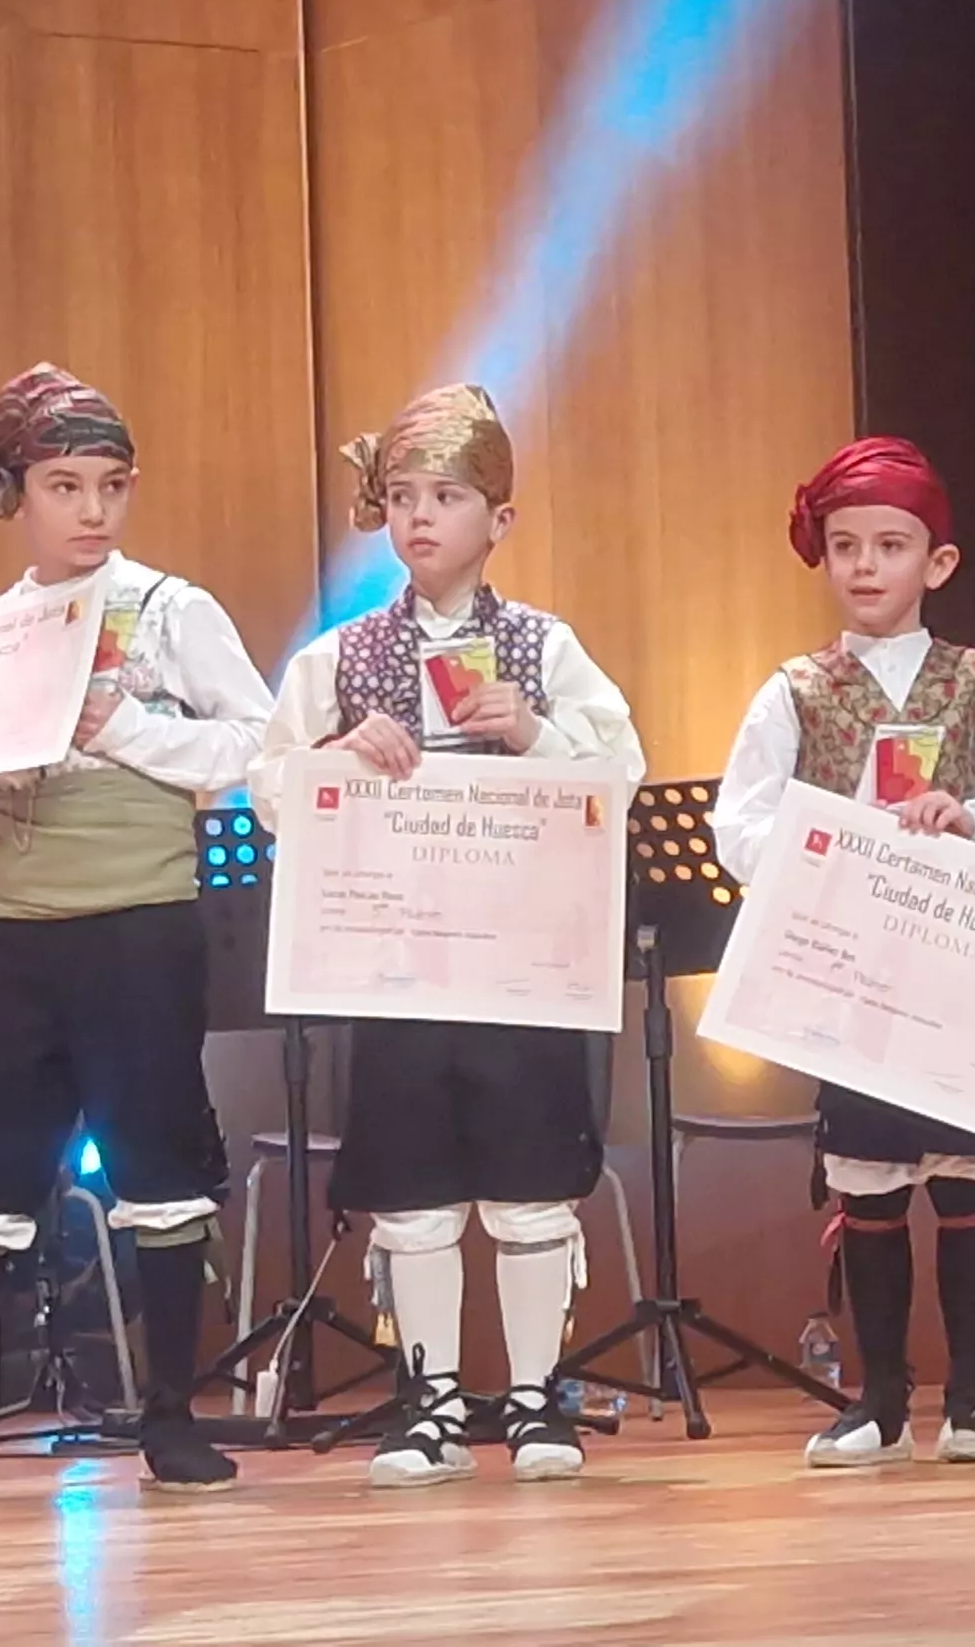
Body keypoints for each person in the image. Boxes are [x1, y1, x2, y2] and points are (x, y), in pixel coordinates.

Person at [0, 363, 274, 1505]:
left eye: (112, 485)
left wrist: (121, 724)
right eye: (65, 485)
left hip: (143, 927)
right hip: (21, 936)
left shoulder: (172, 611)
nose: (92, 510)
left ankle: (171, 1421)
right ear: (18, 495)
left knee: (158, 1162)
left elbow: (256, 745)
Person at [248, 385, 646, 1485]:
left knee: (528, 1181)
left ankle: (533, 1399)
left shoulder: (545, 649)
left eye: (448, 496)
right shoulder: (338, 660)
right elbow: (270, 789)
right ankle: (427, 1402)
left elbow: (621, 775)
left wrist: (535, 734)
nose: (421, 516)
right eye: (404, 497)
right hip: (396, 963)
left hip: (519, 964)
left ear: (500, 519)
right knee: (414, 1187)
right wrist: (338, 754)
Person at [709, 436, 975, 1468]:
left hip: (959, 965)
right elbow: (740, 826)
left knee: (966, 1180)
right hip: (852, 969)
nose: (865, 566)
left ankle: (974, 1399)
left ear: (937, 562)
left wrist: (971, 819)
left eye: (890, 545)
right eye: (845, 546)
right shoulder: (795, 691)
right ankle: (877, 1400)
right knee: (867, 1179)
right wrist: (825, 841)